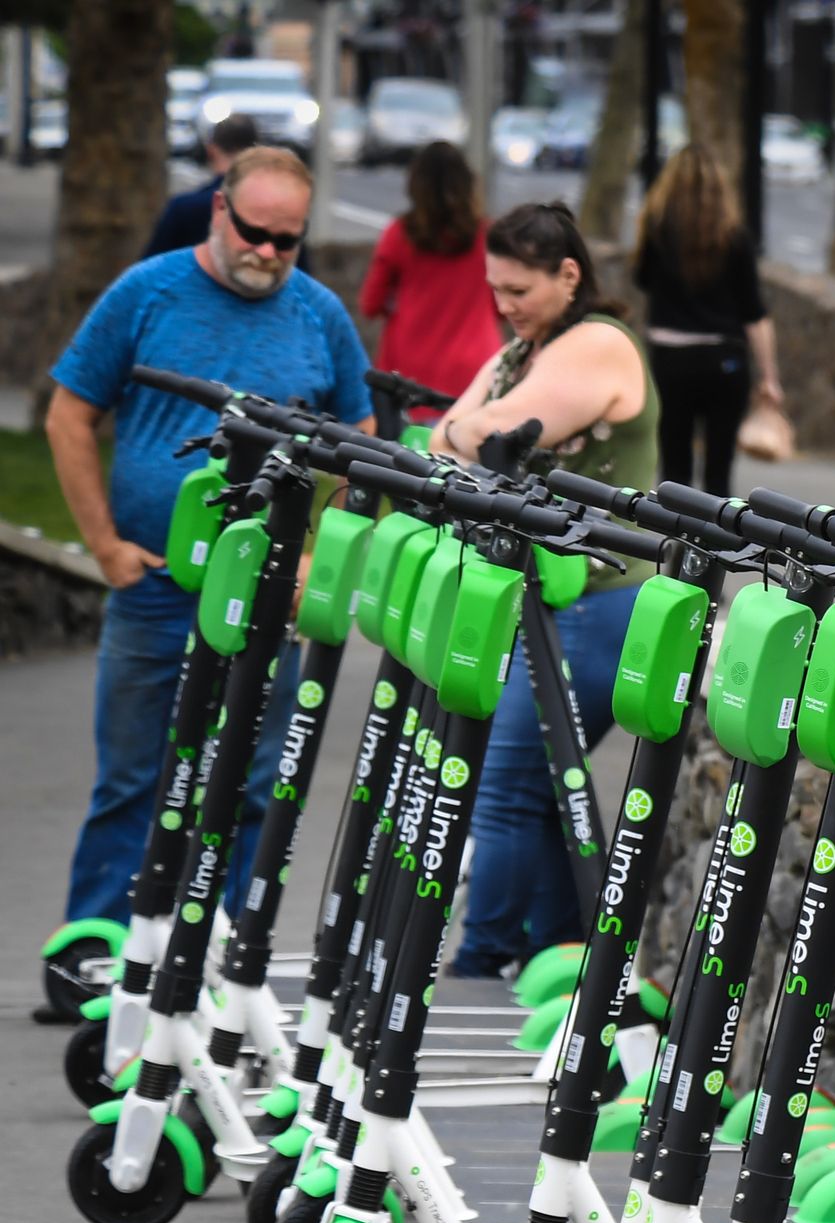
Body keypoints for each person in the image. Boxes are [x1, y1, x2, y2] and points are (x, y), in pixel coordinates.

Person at [46, 146, 374, 968]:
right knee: (133, 777)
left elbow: (361, 445)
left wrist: (313, 557)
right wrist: (103, 546)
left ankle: (222, 952)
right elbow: (68, 413)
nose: (267, 253)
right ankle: (99, 947)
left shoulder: (319, 314)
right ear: (220, 210)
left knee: (249, 783)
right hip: (157, 580)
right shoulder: (147, 291)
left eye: (287, 241)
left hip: (266, 592)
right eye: (255, 232)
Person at [430, 202, 658, 980]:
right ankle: (559, 946)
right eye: (495, 289)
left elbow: (491, 439)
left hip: (601, 602)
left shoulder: (597, 343)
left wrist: (473, 433)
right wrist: (471, 433)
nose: (504, 305)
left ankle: (482, 956)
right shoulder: (524, 349)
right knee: (545, 778)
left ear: (569, 275)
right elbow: (446, 436)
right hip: (552, 599)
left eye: (518, 289)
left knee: (506, 782)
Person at [632, 143, 782, 496]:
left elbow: (642, 279)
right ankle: (716, 546)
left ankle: (674, 545)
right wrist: (770, 378)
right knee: (719, 470)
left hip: (671, 359)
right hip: (724, 360)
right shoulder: (735, 238)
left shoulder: (656, 230)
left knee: (674, 466)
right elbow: (754, 314)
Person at [358, 141, 503, 413]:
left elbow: (370, 304)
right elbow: (503, 306)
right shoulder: (488, 237)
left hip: (409, 372)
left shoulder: (398, 235)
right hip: (475, 370)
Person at [143, 114, 259, 257]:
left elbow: (151, 268)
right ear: (256, 153)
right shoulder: (271, 207)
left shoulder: (183, 209)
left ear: (211, 150)